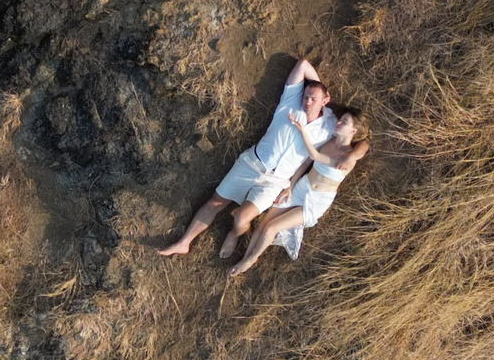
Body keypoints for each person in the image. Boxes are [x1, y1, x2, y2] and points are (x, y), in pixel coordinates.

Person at [156, 57, 334, 260]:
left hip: (275, 182)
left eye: (313, 99)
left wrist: (291, 185)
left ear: (325, 101)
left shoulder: (328, 128)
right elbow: (302, 65)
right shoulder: (291, 101)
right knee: (215, 202)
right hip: (251, 163)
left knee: (241, 217)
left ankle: (233, 234)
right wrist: (317, 87)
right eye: (306, 97)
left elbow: (308, 160)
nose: (308, 102)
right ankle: (183, 243)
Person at [227, 108, 367, 274]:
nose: (339, 123)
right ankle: (244, 258)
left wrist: (302, 131)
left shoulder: (349, 157)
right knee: (263, 223)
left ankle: (251, 260)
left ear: (353, 130)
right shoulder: (329, 142)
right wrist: (290, 186)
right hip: (301, 187)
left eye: (344, 122)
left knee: (271, 228)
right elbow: (306, 164)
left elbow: (315, 156)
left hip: (316, 200)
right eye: (340, 119)